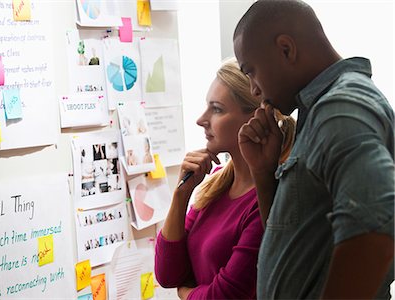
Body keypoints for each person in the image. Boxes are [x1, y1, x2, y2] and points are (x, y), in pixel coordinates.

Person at [233, 1, 395, 299]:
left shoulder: (339, 107)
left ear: (286, 49)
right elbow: (292, 242)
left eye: (251, 72)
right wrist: (263, 172)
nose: (255, 90)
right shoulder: (317, 113)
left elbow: (375, 228)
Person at [154, 58, 295, 299]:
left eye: (217, 109)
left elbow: (224, 295)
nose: (201, 120)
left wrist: (186, 293)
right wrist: (181, 194)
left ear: (256, 118)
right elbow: (168, 274)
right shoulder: (217, 182)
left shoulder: (268, 197)